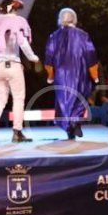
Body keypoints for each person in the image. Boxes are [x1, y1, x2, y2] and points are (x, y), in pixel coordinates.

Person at [0, 0, 40, 143]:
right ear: (12, 9)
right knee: (18, 98)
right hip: (13, 64)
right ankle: (17, 132)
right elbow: (23, 43)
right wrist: (33, 58)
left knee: (0, 99)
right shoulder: (16, 22)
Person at [44, 7, 99, 140]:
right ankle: (75, 121)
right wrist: (95, 76)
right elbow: (91, 56)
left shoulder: (54, 36)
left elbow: (49, 59)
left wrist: (50, 76)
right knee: (80, 98)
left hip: (61, 75)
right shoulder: (83, 35)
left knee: (63, 101)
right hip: (80, 73)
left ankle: (69, 127)